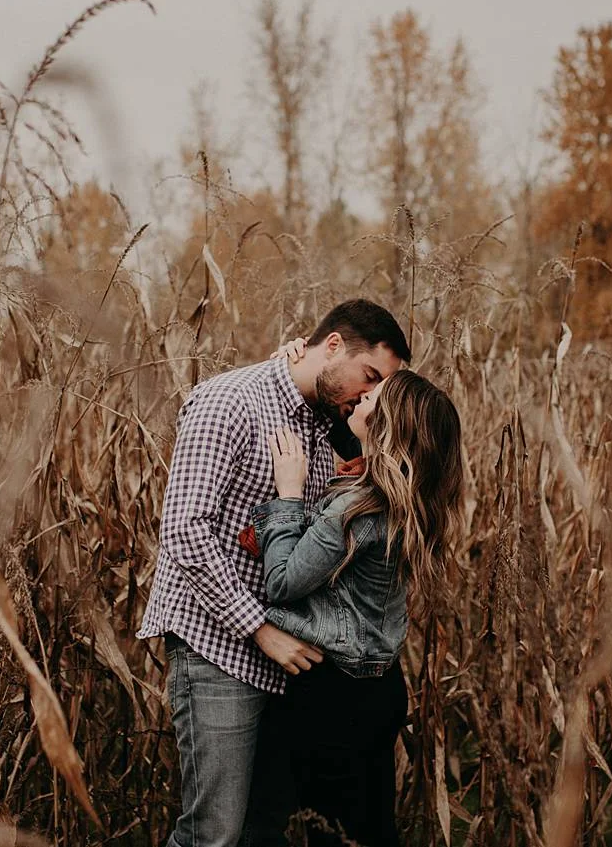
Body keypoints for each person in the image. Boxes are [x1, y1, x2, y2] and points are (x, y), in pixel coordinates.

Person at [137, 300, 411, 847]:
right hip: (219, 646)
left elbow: (407, 450)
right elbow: (185, 532)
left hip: (288, 661)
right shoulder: (228, 401)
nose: (369, 394)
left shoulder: (328, 415)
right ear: (333, 345)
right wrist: (259, 629)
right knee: (213, 832)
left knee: (262, 831)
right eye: (371, 377)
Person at [250, 367, 465, 847]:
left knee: (324, 832)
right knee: (368, 828)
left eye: (374, 397)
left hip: (332, 695)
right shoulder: (405, 501)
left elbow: (283, 582)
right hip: (380, 688)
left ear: (387, 424)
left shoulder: (357, 510)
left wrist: (288, 493)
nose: (363, 396)